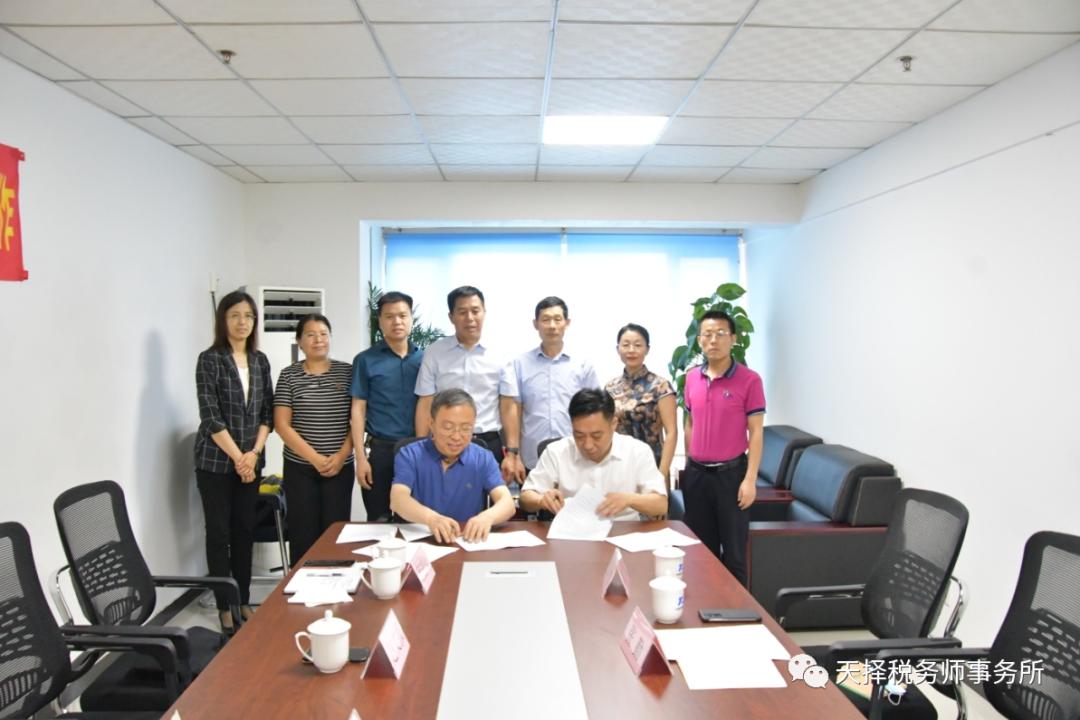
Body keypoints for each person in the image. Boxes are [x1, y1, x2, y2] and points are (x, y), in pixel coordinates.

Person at [194, 290, 273, 630]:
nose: (243, 322)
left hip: (251, 460)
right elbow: (211, 417)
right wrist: (240, 458)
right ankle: (224, 605)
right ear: (223, 320)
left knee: (244, 530)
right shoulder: (210, 359)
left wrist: (252, 455)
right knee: (219, 533)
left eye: (248, 316)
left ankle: (242, 600)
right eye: (235, 315)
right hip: (215, 462)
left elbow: (267, 412)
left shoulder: (260, 360)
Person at [682, 310, 765, 587]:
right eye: (706, 334)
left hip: (731, 476)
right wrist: (688, 463)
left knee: (734, 555)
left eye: (720, 334)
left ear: (733, 339)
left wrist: (750, 480)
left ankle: (737, 610)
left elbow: (756, 432)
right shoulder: (691, 378)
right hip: (697, 475)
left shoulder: (750, 380)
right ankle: (704, 605)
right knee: (699, 552)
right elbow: (690, 423)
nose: (713, 340)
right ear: (699, 340)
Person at [274, 314, 354, 567]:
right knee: (302, 534)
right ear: (299, 341)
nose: (318, 339)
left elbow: (358, 419)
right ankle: (300, 584)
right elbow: (282, 424)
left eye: (323, 334)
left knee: (336, 533)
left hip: (340, 467)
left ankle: (337, 583)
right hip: (300, 469)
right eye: (310, 334)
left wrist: (340, 456)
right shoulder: (289, 375)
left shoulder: (348, 372)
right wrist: (315, 459)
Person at [414, 286, 515, 478]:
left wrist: (512, 452)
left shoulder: (502, 354)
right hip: (444, 443)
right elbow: (425, 402)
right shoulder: (435, 352)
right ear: (451, 317)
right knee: (442, 495)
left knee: (491, 496)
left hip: (488, 442)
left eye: (475, 311)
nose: (470, 318)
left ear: (484, 312)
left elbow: (508, 406)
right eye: (462, 312)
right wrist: (420, 449)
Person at [520, 389, 667, 520]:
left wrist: (629, 500)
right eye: (579, 435)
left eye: (596, 436)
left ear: (613, 424)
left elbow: (661, 505)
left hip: (624, 531)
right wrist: (541, 500)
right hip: (572, 531)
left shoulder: (637, 451)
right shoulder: (556, 451)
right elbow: (525, 498)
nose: (588, 445)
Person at [391, 389, 515, 542]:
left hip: (466, 540)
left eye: (465, 428)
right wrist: (431, 518)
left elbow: (507, 502)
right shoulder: (410, 455)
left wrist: (487, 517)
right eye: (448, 427)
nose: (456, 437)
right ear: (431, 423)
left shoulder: (482, 458)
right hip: (419, 540)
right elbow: (398, 499)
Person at [500, 297, 598, 476]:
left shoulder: (583, 365)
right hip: (532, 458)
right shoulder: (520, 364)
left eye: (557, 319)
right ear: (535, 324)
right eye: (545, 320)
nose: (552, 326)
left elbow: (594, 411)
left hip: (576, 455)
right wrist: (515, 454)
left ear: (567, 323)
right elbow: (515, 411)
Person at [350, 291, 423, 522]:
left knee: (415, 521)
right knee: (378, 520)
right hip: (380, 451)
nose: (397, 322)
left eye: (402, 315)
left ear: (411, 319)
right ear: (380, 322)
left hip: (417, 450)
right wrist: (360, 459)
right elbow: (358, 410)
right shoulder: (365, 360)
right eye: (389, 317)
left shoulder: (425, 360)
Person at [605, 323, 678, 481]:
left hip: (653, 466)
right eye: (626, 345)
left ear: (647, 349)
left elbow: (671, 433)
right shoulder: (610, 388)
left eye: (638, 345)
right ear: (618, 349)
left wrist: (661, 475)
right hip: (619, 467)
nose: (631, 350)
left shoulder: (661, 386)